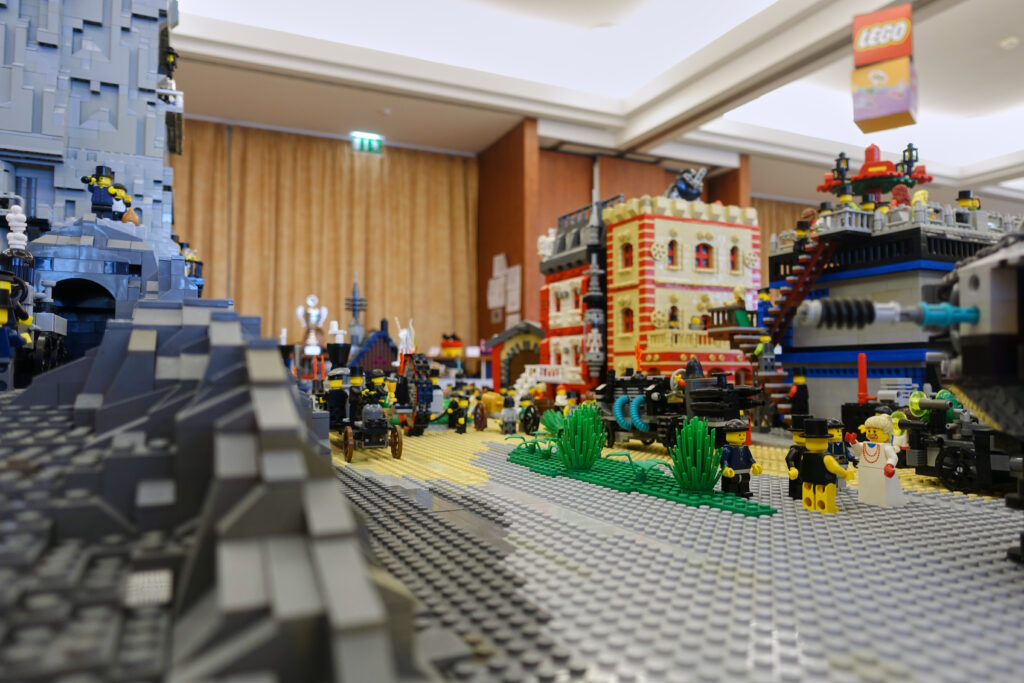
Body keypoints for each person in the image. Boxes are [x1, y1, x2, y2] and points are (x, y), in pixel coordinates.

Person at [846, 415, 907, 507]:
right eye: (868, 431)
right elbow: (858, 451)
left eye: (874, 431)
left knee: (882, 489)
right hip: (866, 470)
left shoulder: (886, 447)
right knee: (867, 486)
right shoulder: (865, 444)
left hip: (882, 471)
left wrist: (889, 465)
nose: (871, 433)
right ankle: (867, 499)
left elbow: (893, 457)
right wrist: (853, 442)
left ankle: (882, 502)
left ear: (886, 433)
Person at [800, 418, 854, 514]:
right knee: (826, 494)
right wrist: (845, 473)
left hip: (808, 481)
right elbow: (834, 468)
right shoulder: (826, 457)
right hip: (825, 481)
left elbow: (802, 467)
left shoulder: (805, 455)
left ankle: (810, 504)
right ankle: (827, 506)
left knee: (811, 494)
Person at [719, 420, 762, 499]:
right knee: (732, 482)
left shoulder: (745, 448)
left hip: (744, 470)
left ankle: (744, 491)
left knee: (745, 480)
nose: (742, 437)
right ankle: (731, 492)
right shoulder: (727, 449)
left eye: (743, 434)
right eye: (739, 435)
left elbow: (749, 458)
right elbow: (724, 460)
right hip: (732, 472)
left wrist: (754, 464)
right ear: (728, 434)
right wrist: (725, 468)